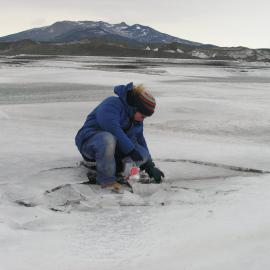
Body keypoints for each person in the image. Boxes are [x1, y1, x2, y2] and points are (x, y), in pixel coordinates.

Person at [75, 82, 164, 190]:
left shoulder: (136, 119)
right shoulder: (112, 104)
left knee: (142, 153)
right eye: (143, 115)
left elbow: (140, 139)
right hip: (90, 142)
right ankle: (106, 181)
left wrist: (149, 165)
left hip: (116, 148)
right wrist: (131, 150)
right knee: (107, 139)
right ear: (135, 108)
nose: (143, 119)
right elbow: (113, 129)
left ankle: (122, 171)